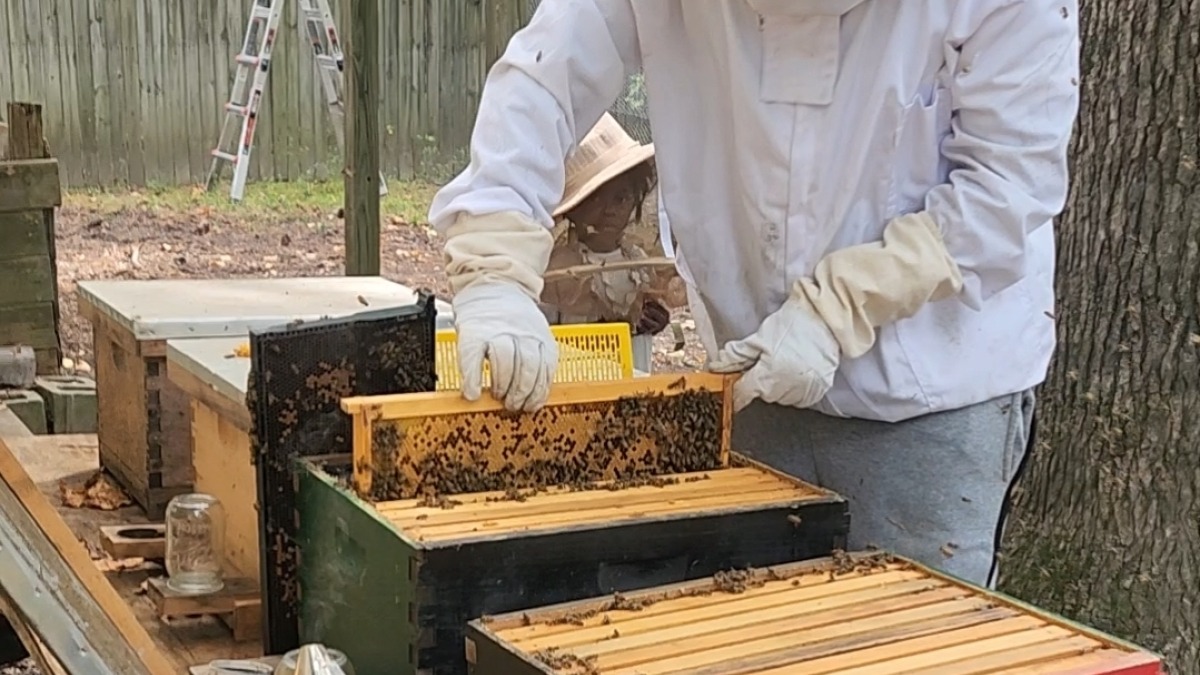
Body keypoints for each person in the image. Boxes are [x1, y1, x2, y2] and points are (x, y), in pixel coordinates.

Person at [427, 1, 1081, 588]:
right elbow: (545, 77)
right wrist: (495, 259)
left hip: (932, 398)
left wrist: (840, 306)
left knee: (911, 648)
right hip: (751, 373)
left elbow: (1006, 184)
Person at [538, 112, 673, 339]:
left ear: (635, 200)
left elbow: (646, 309)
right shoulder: (558, 268)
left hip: (633, 369)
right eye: (595, 200)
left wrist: (654, 319)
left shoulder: (638, 264)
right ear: (573, 208)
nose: (610, 210)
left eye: (621, 198)